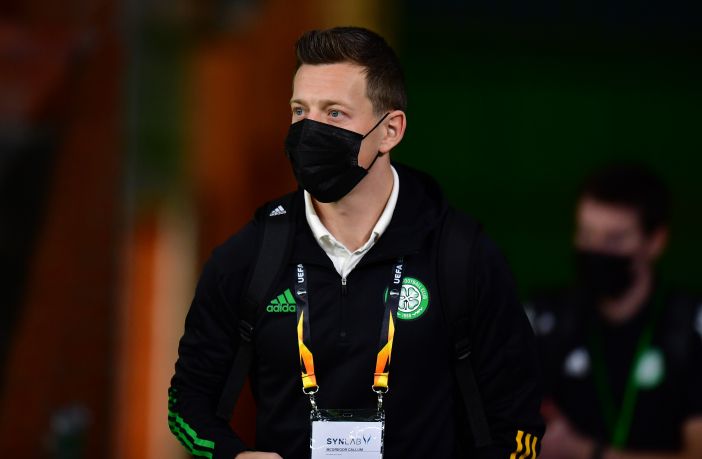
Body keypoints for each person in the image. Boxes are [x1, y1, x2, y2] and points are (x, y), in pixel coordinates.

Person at [168, 26, 543, 459]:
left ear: (390, 130)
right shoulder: (248, 256)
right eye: (299, 110)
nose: (310, 129)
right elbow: (186, 403)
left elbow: (518, 424)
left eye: (334, 114)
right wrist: (232, 455)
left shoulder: (462, 255)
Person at [527, 164, 702, 459]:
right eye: (586, 235)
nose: (596, 250)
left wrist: (586, 452)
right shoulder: (545, 322)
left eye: (614, 239)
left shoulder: (689, 329)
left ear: (655, 241)